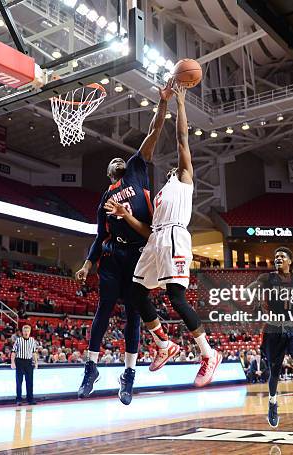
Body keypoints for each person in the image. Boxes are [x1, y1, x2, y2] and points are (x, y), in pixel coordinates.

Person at [75, 79, 173, 405]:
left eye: (122, 158)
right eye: (113, 161)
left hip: (140, 254)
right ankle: (91, 366)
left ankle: (128, 375)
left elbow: (154, 133)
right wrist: (88, 263)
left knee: (134, 314)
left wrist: (162, 103)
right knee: (103, 309)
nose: (119, 159)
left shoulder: (135, 169)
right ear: (108, 173)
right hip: (113, 256)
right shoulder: (105, 196)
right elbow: (99, 235)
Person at [127, 84, 222, 387]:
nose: (172, 168)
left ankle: (208, 354)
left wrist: (180, 104)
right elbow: (148, 230)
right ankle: (164, 344)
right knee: (137, 293)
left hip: (175, 238)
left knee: (176, 297)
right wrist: (127, 216)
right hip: (156, 239)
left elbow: (182, 138)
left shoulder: (184, 179)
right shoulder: (162, 194)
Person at [245, 247, 293, 432]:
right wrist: (253, 293)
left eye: (282, 256)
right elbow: (249, 290)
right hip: (273, 329)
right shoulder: (267, 278)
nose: (278, 258)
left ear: (290, 261)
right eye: (276, 256)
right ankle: (272, 403)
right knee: (275, 370)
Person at [11, 325, 38, 405]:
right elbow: (13, 352)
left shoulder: (32, 340)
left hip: (29, 362)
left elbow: (34, 352)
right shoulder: (18, 340)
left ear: (30, 332)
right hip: (20, 361)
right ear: (22, 332)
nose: (26, 333)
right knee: (19, 381)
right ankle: (18, 399)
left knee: (30, 381)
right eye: (25, 331)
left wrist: (36, 362)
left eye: (28, 331)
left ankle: (30, 399)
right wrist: (12, 362)